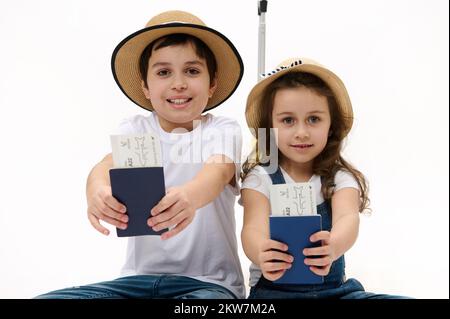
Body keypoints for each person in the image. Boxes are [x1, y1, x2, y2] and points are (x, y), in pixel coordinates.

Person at [36, 10, 245, 299]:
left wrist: (190, 196)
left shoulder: (222, 129)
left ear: (212, 84)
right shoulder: (136, 129)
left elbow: (218, 172)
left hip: (207, 284)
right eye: (163, 72)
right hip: (136, 282)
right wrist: (96, 190)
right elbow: (104, 166)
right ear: (145, 87)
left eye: (192, 71)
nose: (179, 83)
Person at [240, 57, 409, 299]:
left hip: (335, 292)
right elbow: (252, 228)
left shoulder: (339, 177)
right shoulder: (260, 178)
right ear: (270, 127)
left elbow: (348, 218)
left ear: (331, 126)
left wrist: (334, 246)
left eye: (314, 119)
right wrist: (261, 252)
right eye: (288, 120)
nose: (301, 132)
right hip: (274, 293)